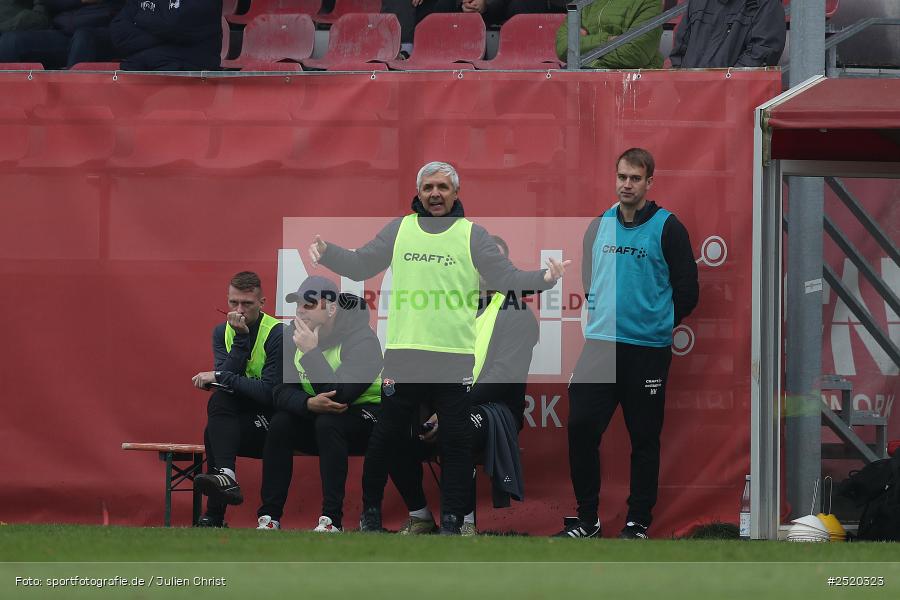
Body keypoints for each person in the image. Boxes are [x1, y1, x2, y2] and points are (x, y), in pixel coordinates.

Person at [309, 161, 569, 534]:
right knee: (385, 436)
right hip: (404, 353)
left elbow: (507, 278)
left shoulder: (472, 235)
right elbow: (361, 263)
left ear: (456, 193)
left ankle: (451, 521)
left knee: (457, 440)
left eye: (443, 188)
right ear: (418, 192)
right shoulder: (400, 229)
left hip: (451, 358)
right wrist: (329, 253)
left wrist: (545, 278)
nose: (435, 193)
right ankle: (370, 514)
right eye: (428, 187)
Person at [558, 148, 698, 539]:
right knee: (581, 427)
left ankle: (637, 521)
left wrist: (657, 324)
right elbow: (589, 279)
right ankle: (587, 520)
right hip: (601, 347)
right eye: (621, 176)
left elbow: (688, 291)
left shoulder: (669, 227)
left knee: (644, 437)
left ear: (650, 182)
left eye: (635, 178)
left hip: (647, 352)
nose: (626, 184)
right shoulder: (599, 225)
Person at [391, 235, 539, 536]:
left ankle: (462, 523)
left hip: (493, 409)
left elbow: (502, 376)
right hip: (441, 402)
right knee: (390, 425)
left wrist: (447, 411)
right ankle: (420, 515)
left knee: (456, 427)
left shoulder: (516, 312)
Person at [255, 276, 383, 532]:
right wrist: (307, 404)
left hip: (367, 417)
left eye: (310, 304)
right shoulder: (291, 334)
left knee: (329, 421)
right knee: (281, 422)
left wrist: (312, 353)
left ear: (332, 309)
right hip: (318, 413)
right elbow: (279, 391)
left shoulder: (362, 339)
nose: (301, 310)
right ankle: (269, 517)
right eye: (298, 304)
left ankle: (331, 519)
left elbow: (341, 396)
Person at [192, 271, 283, 527]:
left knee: (216, 426)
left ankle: (217, 512)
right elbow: (226, 381)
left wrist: (223, 377)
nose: (239, 310)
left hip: (274, 417)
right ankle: (226, 480)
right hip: (244, 414)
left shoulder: (277, 333)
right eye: (234, 303)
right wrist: (241, 339)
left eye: (247, 304)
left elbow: (269, 392)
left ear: (262, 303)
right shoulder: (222, 332)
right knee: (219, 406)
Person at [383, 0, 556, 58]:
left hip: (499, 5)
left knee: (525, 4)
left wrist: (485, 3)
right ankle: (405, 51)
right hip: (455, 4)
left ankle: (527, 60)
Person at [0, 0, 122, 68]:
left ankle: (72, 107)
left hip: (102, 32)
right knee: (10, 42)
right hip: (62, 32)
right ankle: (16, 107)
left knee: (83, 38)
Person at [109, 0, 222, 71]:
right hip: (140, 64)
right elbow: (118, 34)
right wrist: (163, 32)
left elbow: (175, 26)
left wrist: (139, 19)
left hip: (189, 72)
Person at [669, 0, 786, 68]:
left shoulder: (766, 3)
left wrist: (723, 88)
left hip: (736, 102)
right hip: (692, 98)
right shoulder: (698, 2)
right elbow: (680, 51)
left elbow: (762, 54)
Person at [555, 0, 663, 69]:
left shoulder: (649, 2)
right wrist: (607, 40)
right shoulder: (584, 3)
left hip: (632, 85)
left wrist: (585, 48)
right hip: (583, 74)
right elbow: (564, 48)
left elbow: (636, 52)